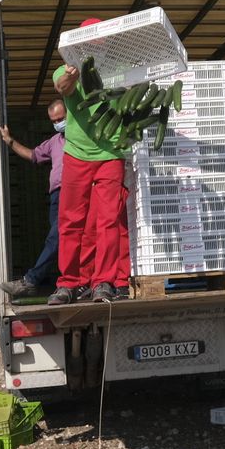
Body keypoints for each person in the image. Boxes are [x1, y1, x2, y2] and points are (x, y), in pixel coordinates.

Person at [49, 18, 131, 304]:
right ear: (80, 45)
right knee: (71, 221)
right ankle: (68, 283)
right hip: (77, 154)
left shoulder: (119, 72)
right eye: (91, 44)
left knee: (108, 222)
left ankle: (103, 283)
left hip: (111, 154)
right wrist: (72, 77)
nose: (97, 48)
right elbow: (63, 86)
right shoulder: (65, 69)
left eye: (101, 43)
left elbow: (132, 98)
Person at [0, 100, 67, 297]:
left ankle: (31, 280)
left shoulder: (80, 137)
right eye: (54, 121)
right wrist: (10, 141)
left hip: (71, 192)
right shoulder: (54, 142)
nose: (58, 123)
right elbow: (33, 155)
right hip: (56, 196)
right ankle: (71, 281)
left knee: (56, 237)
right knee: (59, 241)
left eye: (61, 119)